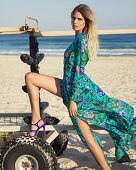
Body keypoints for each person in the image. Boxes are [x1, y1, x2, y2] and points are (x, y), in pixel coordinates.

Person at [25, 4, 136, 170]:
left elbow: (78, 72)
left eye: (79, 19)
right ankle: (37, 120)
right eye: (73, 18)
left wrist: (73, 101)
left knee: (87, 138)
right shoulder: (78, 37)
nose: (75, 21)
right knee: (31, 78)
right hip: (68, 86)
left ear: (86, 22)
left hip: (79, 94)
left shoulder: (82, 41)